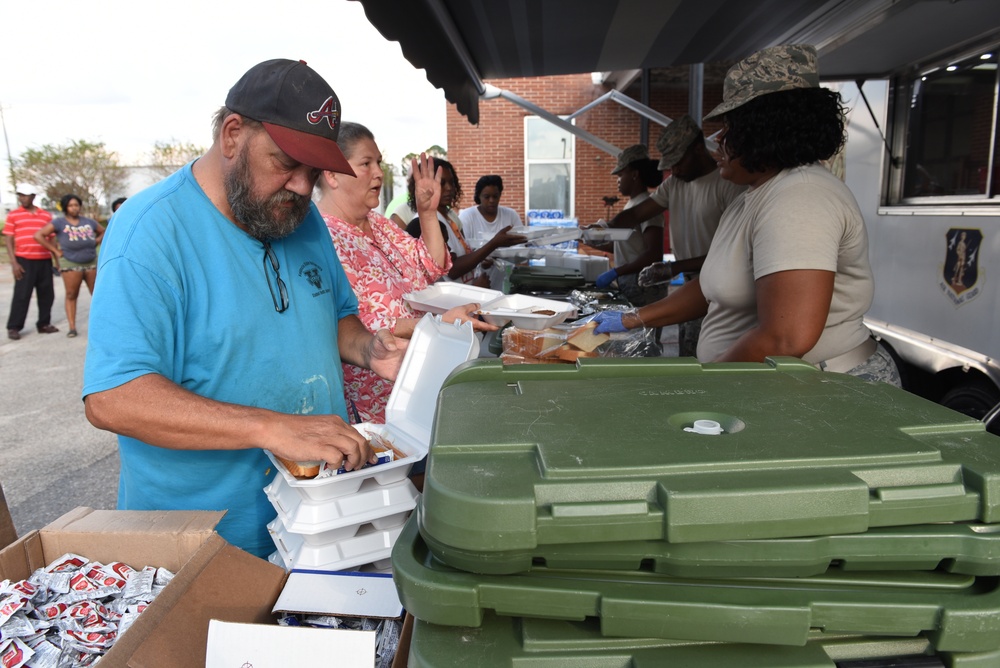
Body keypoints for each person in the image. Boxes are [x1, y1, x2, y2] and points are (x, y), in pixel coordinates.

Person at [82, 59, 410, 558]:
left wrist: (370, 349)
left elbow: (334, 316)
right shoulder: (150, 232)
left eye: (313, 171)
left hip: (321, 522)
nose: (303, 187)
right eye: (285, 163)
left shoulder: (303, 219)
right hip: (203, 544)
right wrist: (271, 426)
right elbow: (113, 397)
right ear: (233, 135)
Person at [593, 44, 900, 386]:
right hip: (769, 383)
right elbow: (710, 289)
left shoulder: (800, 195)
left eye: (731, 126)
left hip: (828, 389)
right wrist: (633, 319)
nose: (720, 139)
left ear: (767, 129)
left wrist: (705, 384)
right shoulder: (751, 197)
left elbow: (785, 338)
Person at [316, 122, 497, 424]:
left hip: (417, 379)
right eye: (366, 163)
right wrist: (439, 322)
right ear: (331, 174)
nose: (378, 173)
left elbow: (429, 265)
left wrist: (427, 212)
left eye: (379, 163)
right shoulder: (322, 237)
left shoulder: (377, 223)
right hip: (372, 397)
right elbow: (360, 324)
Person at [599, 115, 745, 357]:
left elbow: (731, 253)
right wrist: (604, 226)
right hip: (690, 282)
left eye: (678, 162)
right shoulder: (675, 184)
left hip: (721, 283)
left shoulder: (727, 185)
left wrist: (673, 267)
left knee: (708, 355)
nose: (674, 169)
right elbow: (637, 214)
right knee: (687, 349)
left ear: (698, 149)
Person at [405, 158, 524, 285]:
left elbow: (461, 256)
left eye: (452, 182)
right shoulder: (427, 222)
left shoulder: (450, 215)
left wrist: (480, 260)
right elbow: (452, 269)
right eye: (442, 183)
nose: (449, 188)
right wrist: (493, 244)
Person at [592, 146, 667, 309]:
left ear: (634, 174)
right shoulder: (631, 204)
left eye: (621, 175)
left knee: (643, 333)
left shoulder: (647, 207)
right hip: (630, 281)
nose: (618, 180)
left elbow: (653, 253)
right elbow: (623, 246)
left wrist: (617, 272)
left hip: (643, 284)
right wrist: (586, 239)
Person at [33, 194, 104, 338]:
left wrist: (96, 241)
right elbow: (39, 235)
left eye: (76, 205)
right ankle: (72, 327)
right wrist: (55, 251)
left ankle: (103, 325)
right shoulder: (59, 222)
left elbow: (103, 231)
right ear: (66, 207)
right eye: (71, 205)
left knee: (97, 294)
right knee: (72, 294)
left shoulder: (88, 221)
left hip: (90, 262)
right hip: (70, 262)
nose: (74, 208)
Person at [4, 184, 59, 340]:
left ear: (33, 196)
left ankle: (43, 324)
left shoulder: (45, 216)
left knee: (47, 294)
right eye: (20, 195)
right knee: (22, 295)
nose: (22, 198)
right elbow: (9, 239)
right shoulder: (14, 215)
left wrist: (56, 261)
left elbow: (51, 239)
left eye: (25, 195)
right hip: (24, 260)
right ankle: (14, 326)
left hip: (44, 260)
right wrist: (14, 263)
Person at [458, 175, 525, 243]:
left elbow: (521, 242)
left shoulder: (511, 215)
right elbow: (464, 247)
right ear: (479, 196)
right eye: (486, 197)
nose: (491, 200)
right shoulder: (466, 217)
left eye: (495, 196)